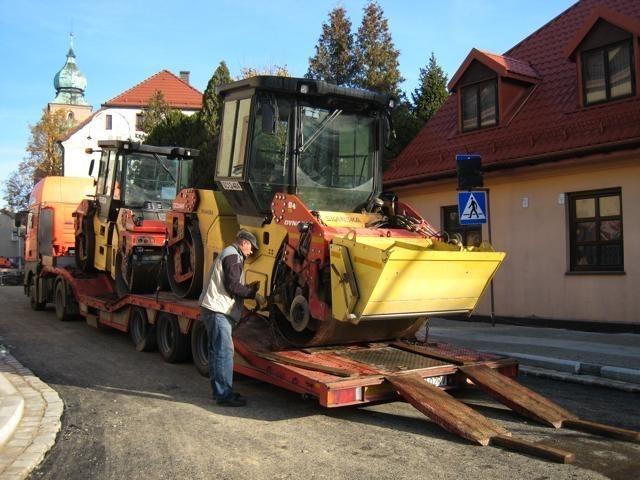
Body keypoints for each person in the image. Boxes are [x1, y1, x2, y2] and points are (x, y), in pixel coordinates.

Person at [199, 229, 266, 407]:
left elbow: (230, 283)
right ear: (243, 242)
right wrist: (253, 294)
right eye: (251, 247)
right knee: (224, 353)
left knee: (216, 352)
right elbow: (233, 286)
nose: (251, 252)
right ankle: (224, 395)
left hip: (212, 309)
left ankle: (220, 392)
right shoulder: (233, 256)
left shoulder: (229, 254)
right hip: (217, 310)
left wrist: (247, 289)